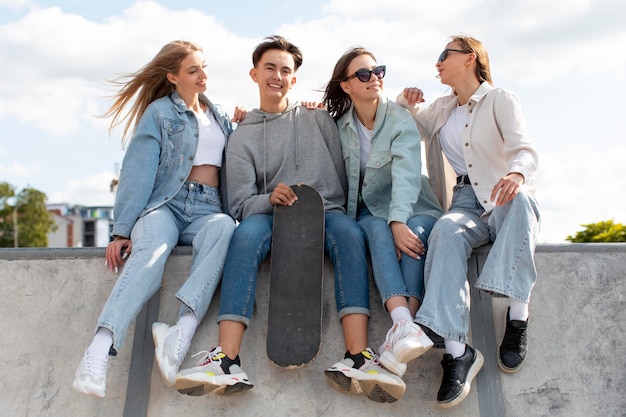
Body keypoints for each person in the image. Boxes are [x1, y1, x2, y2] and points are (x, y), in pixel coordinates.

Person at [174, 35, 406, 403]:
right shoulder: (243, 135)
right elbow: (239, 204)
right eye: (270, 68)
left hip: (326, 212)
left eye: (286, 70)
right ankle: (226, 360)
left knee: (349, 235)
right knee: (245, 236)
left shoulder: (319, 119)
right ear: (254, 74)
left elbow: (346, 172)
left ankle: (358, 357)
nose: (278, 76)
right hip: (273, 215)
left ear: (294, 80)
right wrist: (269, 198)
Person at [72, 40, 242, 397]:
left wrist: (242, 123)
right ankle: (98, 350)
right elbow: (137, 171)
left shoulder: (220, 115)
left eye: (204, 67)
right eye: (193, 70)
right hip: (166, 204)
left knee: (226, 227)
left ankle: (181, 332)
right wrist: (121, 231)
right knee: (151, 252)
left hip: (209, 208)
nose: (202, 75)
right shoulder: (160, 113)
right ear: (173, 77)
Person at [397, 34, 540, 408]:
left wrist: (517, 175)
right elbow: (410, 134)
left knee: (523, 201)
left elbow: (524, 150)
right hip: (463, 200)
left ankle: (517, 314)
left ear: (470, 58)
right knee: (445, 229)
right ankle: (458, 353)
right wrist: (405, 104)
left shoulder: (500, 99)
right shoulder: (442, 108)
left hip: (503, 193)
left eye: (445, 54)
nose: (438, 62)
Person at [321, 47, 443, 378]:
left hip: (414, 206)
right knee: (374, 229)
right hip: (371, 210)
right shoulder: (340, 126)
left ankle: (403, 327)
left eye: (378, 71)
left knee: (415, 231)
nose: (374, 78)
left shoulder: (401, 119)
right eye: (363, 74)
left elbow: (406, 176)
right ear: (346, 85)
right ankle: (405, 327)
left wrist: (399, 221)